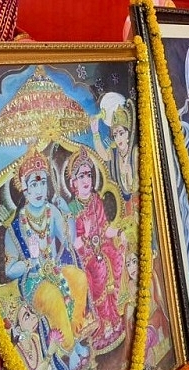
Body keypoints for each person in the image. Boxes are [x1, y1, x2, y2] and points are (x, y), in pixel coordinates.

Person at [4, 148, 90, 370]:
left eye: (43, 183)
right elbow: (10, 269)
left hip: (55, 271)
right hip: (34, 283)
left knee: (79, 279)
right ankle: (70, 351)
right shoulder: (16, 227)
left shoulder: (51, 212)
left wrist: (66, 213)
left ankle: (76, 336)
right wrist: (28, 265)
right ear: (25, 187)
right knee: (53, 296)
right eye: (33, 184)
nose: (40, 190)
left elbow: (69, 240)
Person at [67, 146, 127, 355]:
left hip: (101, 245)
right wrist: (88, 245)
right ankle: (103, 325)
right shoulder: (72, 209)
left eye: (89, 175)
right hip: (85, 256)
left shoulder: (95, 200)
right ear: (73, 182)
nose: (86, 180)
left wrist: (118, 232)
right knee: (100, 267)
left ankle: (115, 315)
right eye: (81, 175)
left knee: (116, 256)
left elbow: (105, 228)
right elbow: (74, 243)